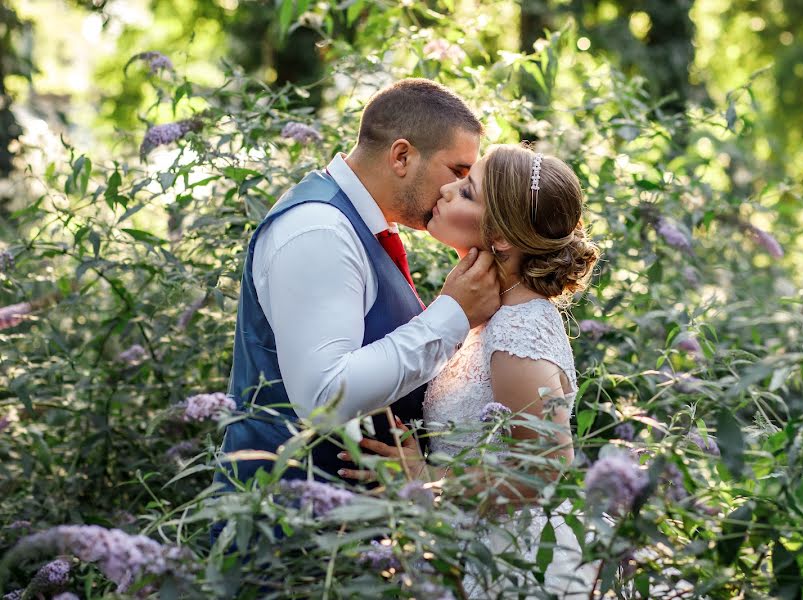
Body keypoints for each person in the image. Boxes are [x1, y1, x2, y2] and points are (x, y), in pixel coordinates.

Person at [213, 79, 501, 500]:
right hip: (280, 526)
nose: (453, 190)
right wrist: (453, 313)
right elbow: (324, 397)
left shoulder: (356, 226)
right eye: (456, 171)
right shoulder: (319, 230)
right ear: (401, 155)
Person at [340, 144, 600, 596]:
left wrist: (427, 484)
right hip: (463, 546)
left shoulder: (519, 326)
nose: (444, 189)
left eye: (466, 191)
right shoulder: (490, 315)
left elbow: (545, 466)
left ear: (501, 237)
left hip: (510, 563)